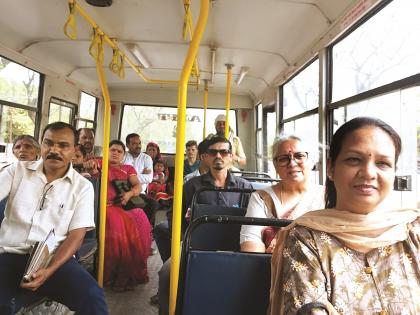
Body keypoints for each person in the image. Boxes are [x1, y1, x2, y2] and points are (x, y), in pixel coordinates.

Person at [268, 117, 420, 315]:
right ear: (331, 168)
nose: (368, 173)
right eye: (354, 159)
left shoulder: (412, 230)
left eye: (383, 163)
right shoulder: (305, 238)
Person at [0, 121, 108, 315]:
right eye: (48, 143)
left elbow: (76, 235)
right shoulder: (16, 171)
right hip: (9, 255)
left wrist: (48, 271)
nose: (54, 150)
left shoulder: (82, 186)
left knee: (93, 297)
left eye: (63, 145)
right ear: (41, 145)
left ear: (74, 151)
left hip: (55, 260)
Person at [156, 135, 253, 314]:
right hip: (195, 243)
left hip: (236, 245)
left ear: (231, 156)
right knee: (166, 274)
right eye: (213, 152)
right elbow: (173, 215)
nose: (219, 156)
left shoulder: (245, 187)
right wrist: (185, 233)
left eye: (224, 152)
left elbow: (254, 223)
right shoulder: (192, 186)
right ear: (205, 157)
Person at [240, 135, 324, 253]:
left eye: (299, 156)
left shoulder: (328, 196)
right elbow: (250, 244)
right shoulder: (261, 198)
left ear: (312, 161)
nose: (292, 163)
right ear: (275, 166)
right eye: (284, 159)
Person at [102, 140, 152, 291]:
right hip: (105, 205)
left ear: (124, 155)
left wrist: (129, 194)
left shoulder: (127, 169)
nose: (115, 153)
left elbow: (137, 185)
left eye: (119, 151)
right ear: (107, 151)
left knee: (140, 217)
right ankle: (112, 273)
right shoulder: (99, 164)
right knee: (117, 222)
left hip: (124, 202)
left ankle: (132, 268)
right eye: (112, 150)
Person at [123, 133, 154, 221]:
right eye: (134, 144)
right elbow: (120, 175)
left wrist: (129, 176)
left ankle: (147, 229)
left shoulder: (146, 158)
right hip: (124, 190)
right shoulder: (123, 156)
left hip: (140, 192)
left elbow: (149, 178)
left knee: (153, 204)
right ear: (127, 145)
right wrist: (140, 174)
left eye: (139, 143)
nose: (138, 146)